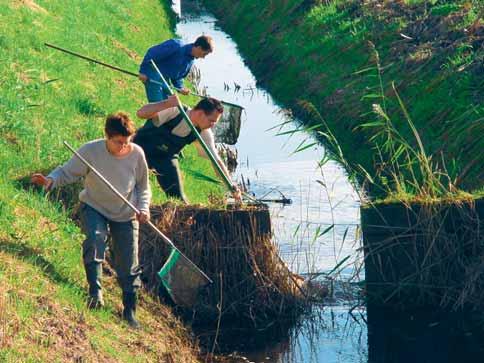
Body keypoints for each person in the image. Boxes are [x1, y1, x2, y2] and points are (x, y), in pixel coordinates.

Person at [31, 112, 151, 329]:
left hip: (126, 214)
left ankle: (130, 310)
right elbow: (67, 172)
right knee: (94, 241)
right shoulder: (91, 151)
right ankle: (95, 293)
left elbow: (143, 187)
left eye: (127, 142)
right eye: (118, 142)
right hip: (94, 206)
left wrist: (143, 208)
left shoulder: (137, 154)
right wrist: (50, 181)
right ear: (106, 135)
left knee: (128, 262)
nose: (123, 147)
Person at [134, 95, 241, 204]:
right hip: (138, 149)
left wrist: (230, 185)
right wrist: (166, 103)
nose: (212, 125)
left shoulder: (203, 133)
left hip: (165, 158)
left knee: (179, 198)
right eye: (211, 121)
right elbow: (141, 113)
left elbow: (216, 161)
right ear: (200, 113)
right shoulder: (175, 110)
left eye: (214, 122)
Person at [138, 35, 214, 102]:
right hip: (152, 75)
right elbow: (152, 53)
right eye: (204, 54)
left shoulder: (190, 61)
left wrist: (181, 88)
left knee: (171, 105)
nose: (203, 57)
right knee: (158, 108)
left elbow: (178, 77)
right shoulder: (176, 45)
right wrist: (143, 71)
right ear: (199, 48)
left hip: (165, 81)